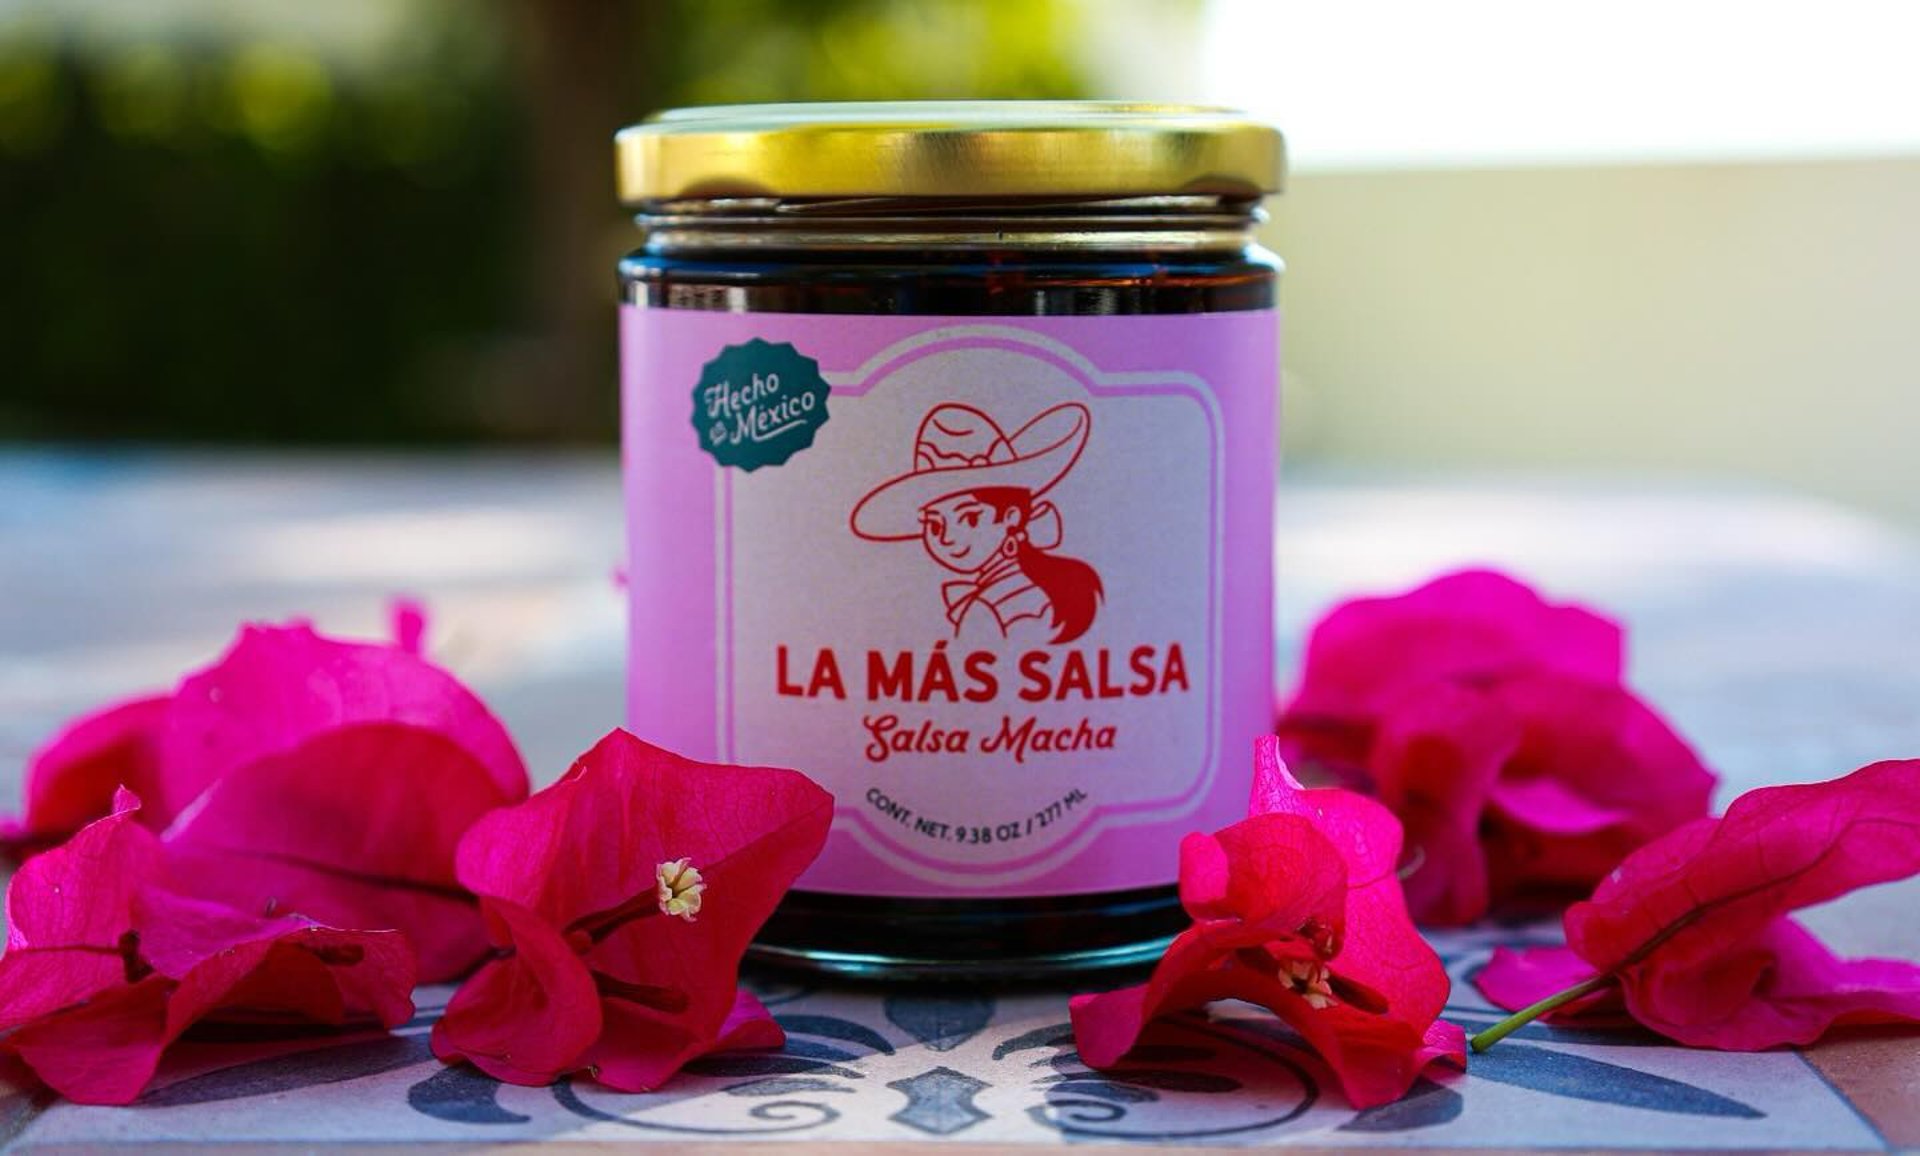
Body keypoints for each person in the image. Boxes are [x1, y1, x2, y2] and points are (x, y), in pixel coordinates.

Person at [851, 402, 1103, 643]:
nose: (947, 537)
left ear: (1011, 517)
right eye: (935, 525)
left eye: (970, 518)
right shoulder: (1030, 588)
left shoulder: (985, 609)